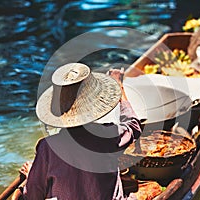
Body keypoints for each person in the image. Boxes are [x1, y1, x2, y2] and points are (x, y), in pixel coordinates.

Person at [12, 63, 142, 200]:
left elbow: (33, 195)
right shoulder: (109, 135)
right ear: (95, 106)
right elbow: (134, 125)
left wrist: (32, 174)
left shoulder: (47, 148)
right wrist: (118, 86)